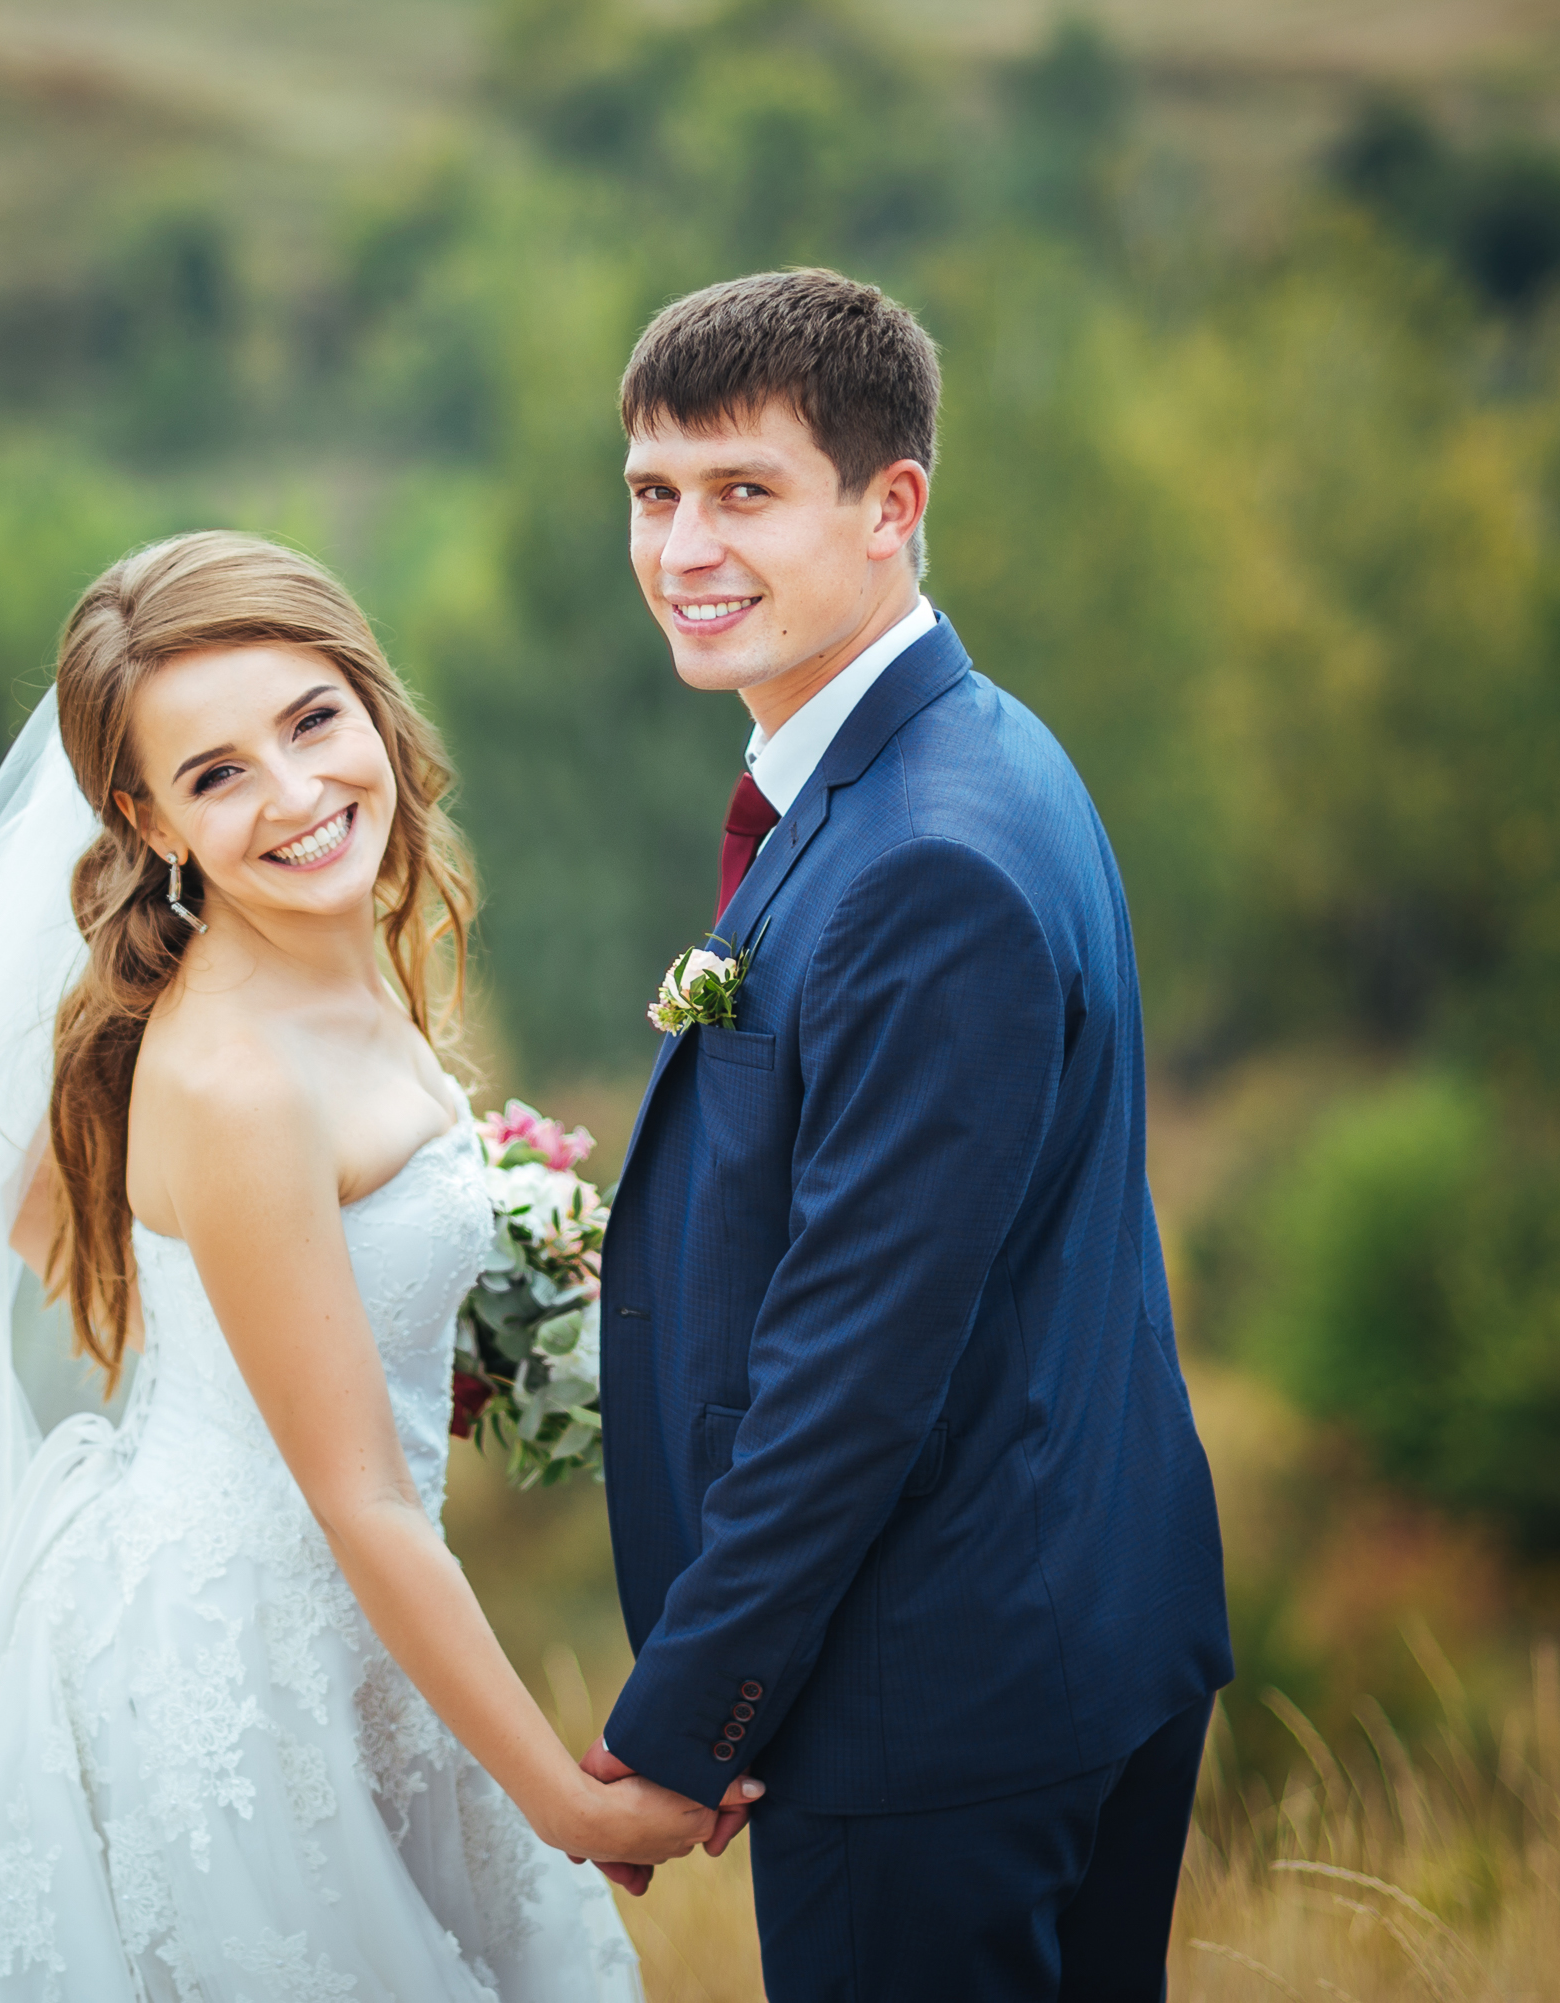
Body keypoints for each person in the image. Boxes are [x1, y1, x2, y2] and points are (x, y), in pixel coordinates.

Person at [0, 532, 738, 2001]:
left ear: (372, 702)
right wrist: (569, 1803)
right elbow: (353, 1496)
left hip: (355, 1654)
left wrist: (338, 1345)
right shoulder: (237, 1078)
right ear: (144, 819)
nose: (294, 794)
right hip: (238, 1684)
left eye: (310, 720)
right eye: (215, 775)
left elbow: (66, 1224)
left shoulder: (310, 962)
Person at [587, 269, 1237, 1999]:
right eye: (656, 493)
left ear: (893, 508)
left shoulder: (923, 859)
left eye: (745, 492)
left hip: (934, 1711)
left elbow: (857, 1361)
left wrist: (687, 1717)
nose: (684, 548)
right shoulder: (977, 752)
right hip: (1073, 1633)